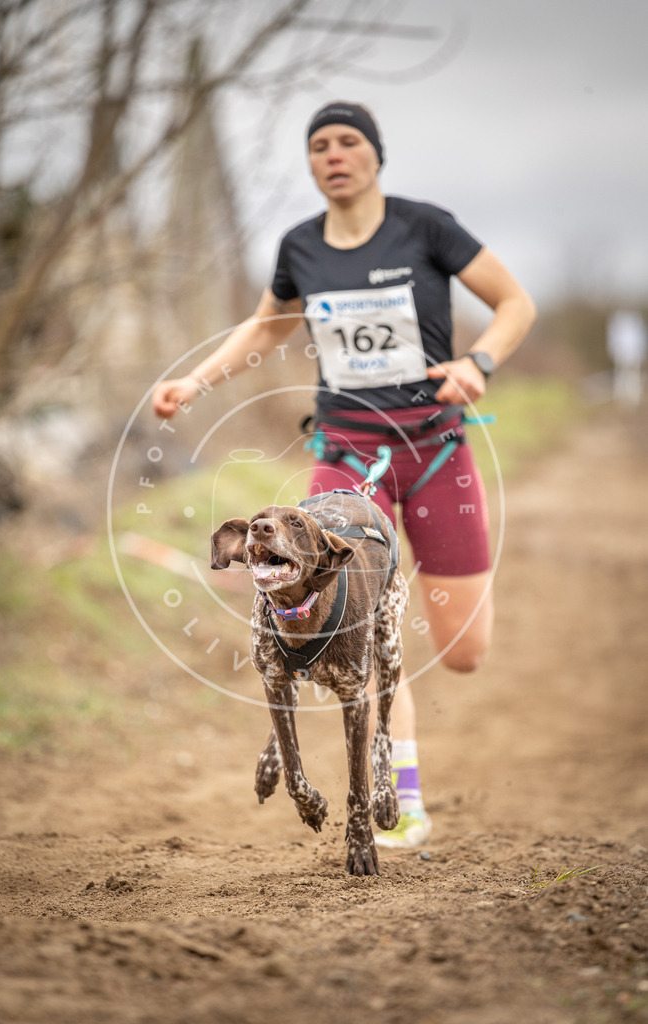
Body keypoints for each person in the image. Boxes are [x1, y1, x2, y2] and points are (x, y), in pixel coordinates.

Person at [153, 101, 536, 849]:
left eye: (348, 141)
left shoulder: (426, 228)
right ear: (310, 163)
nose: (333, 153)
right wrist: (194, 382)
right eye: (318, 144)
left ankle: (405, 714)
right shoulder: (300, 246)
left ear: (374, 156)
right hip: (346, 460)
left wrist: (478, 361)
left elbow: (514, 303)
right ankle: (405, 797)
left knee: (462, 652)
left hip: (435, 453)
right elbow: (267, 327)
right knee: (360, 624)